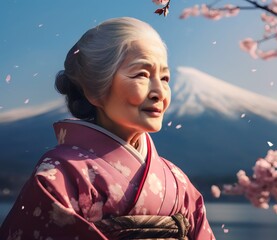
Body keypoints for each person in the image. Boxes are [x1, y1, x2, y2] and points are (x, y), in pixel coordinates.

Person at [0, 17, 215, 239]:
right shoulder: (60, 175)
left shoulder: (177, 181)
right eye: (141, 74)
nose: (159, 92)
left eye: (165, 77)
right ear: (94, 89)